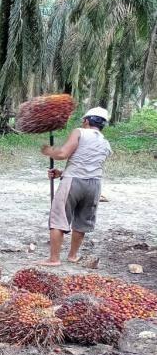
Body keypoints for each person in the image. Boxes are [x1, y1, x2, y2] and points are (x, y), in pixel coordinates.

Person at [39, 107, 112, 267]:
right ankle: (72, 256)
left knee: (59, 217)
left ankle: (54, 259)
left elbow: (62, 154)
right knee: (82, 220)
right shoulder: (105, 143)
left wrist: (48, 151)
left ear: (86, 121)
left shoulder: (79, 132)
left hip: (73, 183)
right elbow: (89, 165)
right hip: (94, 185)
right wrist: (61, 173)